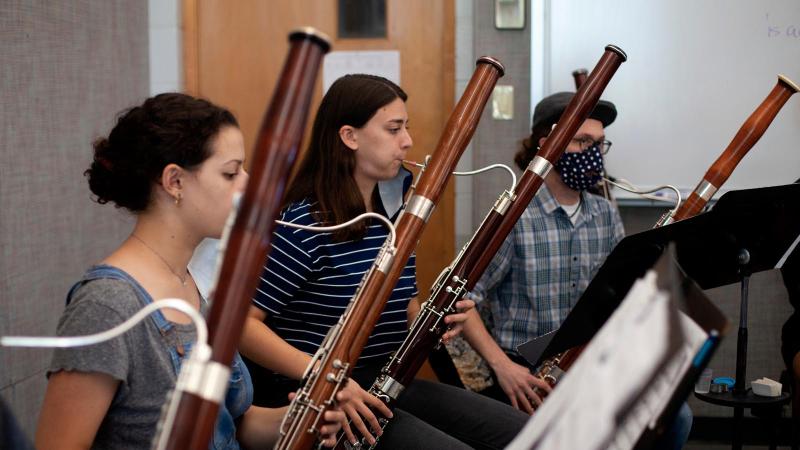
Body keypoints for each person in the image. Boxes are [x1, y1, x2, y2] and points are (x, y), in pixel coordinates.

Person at [37, 93, 344, 449]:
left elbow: (231, 426)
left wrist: (301, 418)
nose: (248, 184)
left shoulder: (185, 281)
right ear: (175, 182)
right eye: (231, 173)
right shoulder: (106, 306)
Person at [240, 74, 529, 450]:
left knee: (521, 431)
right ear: (350, 136)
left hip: (384, 377)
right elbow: (243, 327)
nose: (407, 141)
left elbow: (402, 301)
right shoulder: (303, 225)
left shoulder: (391, 216)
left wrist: (429, 318)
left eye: (406, 128)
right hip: (321, 396)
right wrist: (325, 376)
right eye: (394, 129)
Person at [462, 92, 692, 448]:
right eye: (582, 141)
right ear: (548, 145)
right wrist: (503, 369)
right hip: (527, 372)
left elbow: (616, 296)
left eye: (599, 144)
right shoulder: (513, 217)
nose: (593, 153)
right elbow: (464, 300)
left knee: (676, 416)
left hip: (586, 362)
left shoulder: (605, 214)